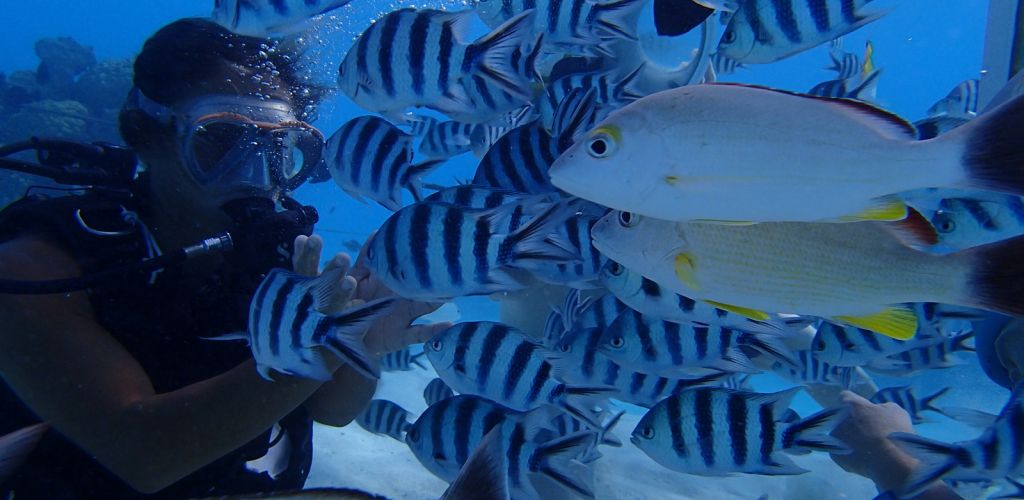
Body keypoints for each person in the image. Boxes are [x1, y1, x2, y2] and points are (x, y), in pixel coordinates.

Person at [0, 18, 446, 498]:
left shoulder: (280, 252)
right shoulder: (35, 268)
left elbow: (331, 410)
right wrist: (320, 343)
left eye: (280, 149)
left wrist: (361, 343)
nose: (255, 172)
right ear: (145, 133)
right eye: (221, 139)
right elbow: (143, 455)